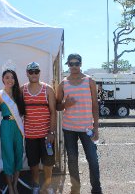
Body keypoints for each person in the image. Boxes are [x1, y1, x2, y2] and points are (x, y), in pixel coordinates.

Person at [56, 53, 102, 194]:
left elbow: (95, 105)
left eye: (77, 63)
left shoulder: (89, 81)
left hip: (87, 127)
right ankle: (75, 188)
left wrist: (96, 127)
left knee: (93, 159)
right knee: (72, 160)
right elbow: (57, 106)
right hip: (69, 128)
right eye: (71, 63)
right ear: (68, 65)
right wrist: (65, 104)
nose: (74, 66)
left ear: (81, 64)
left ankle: (96, 189)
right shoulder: (63, 84)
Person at [22, 62, 56, 194]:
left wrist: (51, 132)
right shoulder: (22, 89)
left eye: (36, 71)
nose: (34, 74)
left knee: (48, 163)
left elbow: (53, 111)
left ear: (39, 73)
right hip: (30, 135)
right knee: (33, 163)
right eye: (31, 72)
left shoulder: (48, 89)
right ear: (27, 73)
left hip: (46, 135)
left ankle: (48, 185)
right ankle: (36, 185)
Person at [0, 69, 25, 194]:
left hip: (18, 127)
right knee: (8, 156)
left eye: (12, 77)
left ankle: (15, 184)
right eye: (7, 77)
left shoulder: (19, 94)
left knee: (18, 155)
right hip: (6, 126)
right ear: (3, 79)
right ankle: (10, 188)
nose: (10, 80)